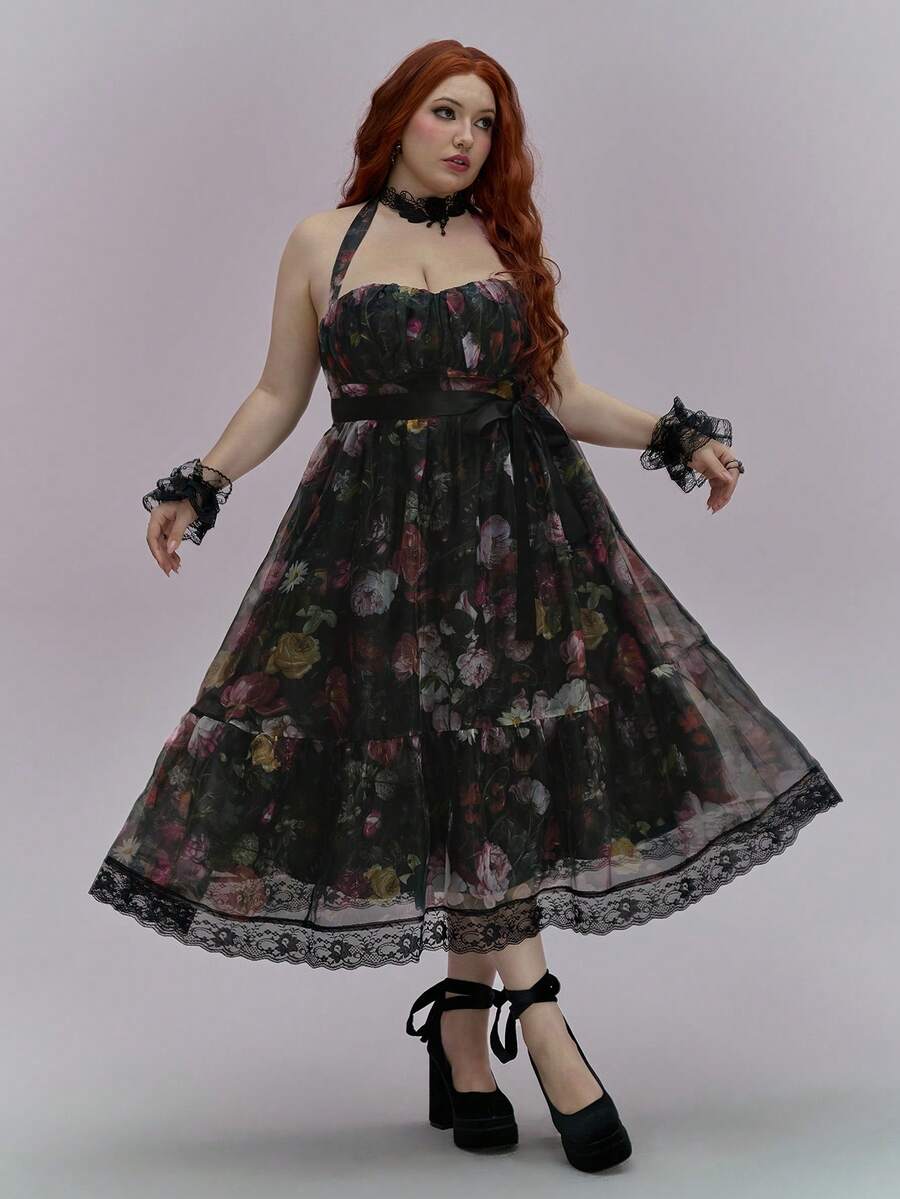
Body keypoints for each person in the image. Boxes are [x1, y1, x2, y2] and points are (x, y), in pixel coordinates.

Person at [87, 39, 843, 1173]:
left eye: (485, 123)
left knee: (494, 766)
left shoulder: (506, 244)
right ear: (398, 116)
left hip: (514, 534)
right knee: (442, 762)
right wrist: (199, 482)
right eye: (446, 112)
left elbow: (566, 395)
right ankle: (534, 1015)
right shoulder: (321, 241)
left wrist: (680, 436)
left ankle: (466, 1026)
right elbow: (281, 392)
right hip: (371, 547)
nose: (466, 138)